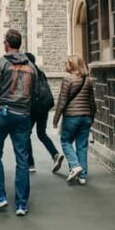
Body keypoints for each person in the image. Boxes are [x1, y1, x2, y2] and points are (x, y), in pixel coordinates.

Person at [0, 28, 37, 216]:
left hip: (4, 113)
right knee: (22, 159)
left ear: (7, 43)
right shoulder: (31, 66)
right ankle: (22, 204)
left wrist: (2, 97)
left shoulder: (0, 63)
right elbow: (35, 92)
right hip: (23, 114)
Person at [53, 54, 97, 185]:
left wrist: (55, 120)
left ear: (72, 65)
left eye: (67, 63)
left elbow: (62, 101)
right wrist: (91, 117)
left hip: (71, 117)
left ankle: (75, 165)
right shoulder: (88, 80)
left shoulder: (68, 80)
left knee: (65, 141)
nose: (65, 65)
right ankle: (82, 176)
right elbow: (92, 102)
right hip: (86, 117)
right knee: (82, 146)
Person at [26, 53, 63, 174]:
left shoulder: (29, 73)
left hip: (33, 108)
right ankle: (55, 154)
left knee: (26, 134)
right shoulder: (41, 73)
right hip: (44, 107)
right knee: (42, 133)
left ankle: (30, 163)